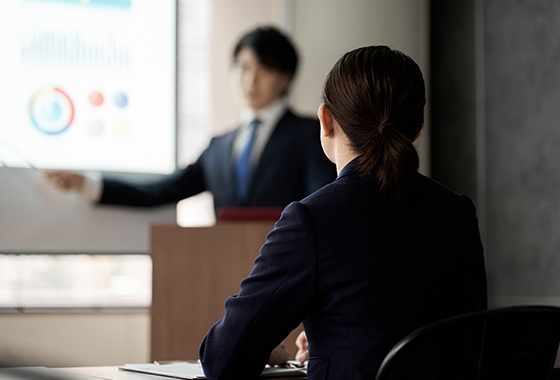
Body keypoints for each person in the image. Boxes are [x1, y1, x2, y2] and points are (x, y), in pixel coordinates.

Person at [198, 46, 487, 379]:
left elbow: (222, 359)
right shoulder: (457, 211)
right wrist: (329, 338)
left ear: (326, 120)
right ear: (416, 131)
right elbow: (466, 340)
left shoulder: (313, 220)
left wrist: (268, 344)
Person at [43, 26, 336, 211]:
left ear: (285, 78)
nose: (250, 80)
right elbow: (161, 191)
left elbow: (322, 204)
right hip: (226, 274)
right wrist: (87, 183)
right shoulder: (218, 147)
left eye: (264, 69)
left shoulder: (310, 133)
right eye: (242, 68)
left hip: (292, 277)